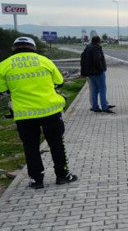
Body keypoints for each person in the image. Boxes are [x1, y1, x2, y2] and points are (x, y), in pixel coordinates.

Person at [0, 37, 78, 189]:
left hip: (24, 114)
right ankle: (63, 175)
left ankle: (36, 180)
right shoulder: (44, 61)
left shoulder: (4, 65)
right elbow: (59, 80)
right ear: (33, 48)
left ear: (14, 48)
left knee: (30, 147)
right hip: (50, 111)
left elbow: (2, 89)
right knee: (57, 144)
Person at [80, 36, 115, 113]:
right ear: (98, 41)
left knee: (94, 90)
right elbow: (97, 59)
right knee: (102, 89)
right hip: (97, 72)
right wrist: (102, 69)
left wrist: (83, 72)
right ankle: (104, 107)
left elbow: (82, 59)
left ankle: (95, 107)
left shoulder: (87, 48)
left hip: (90, 73)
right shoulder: (96, 48)